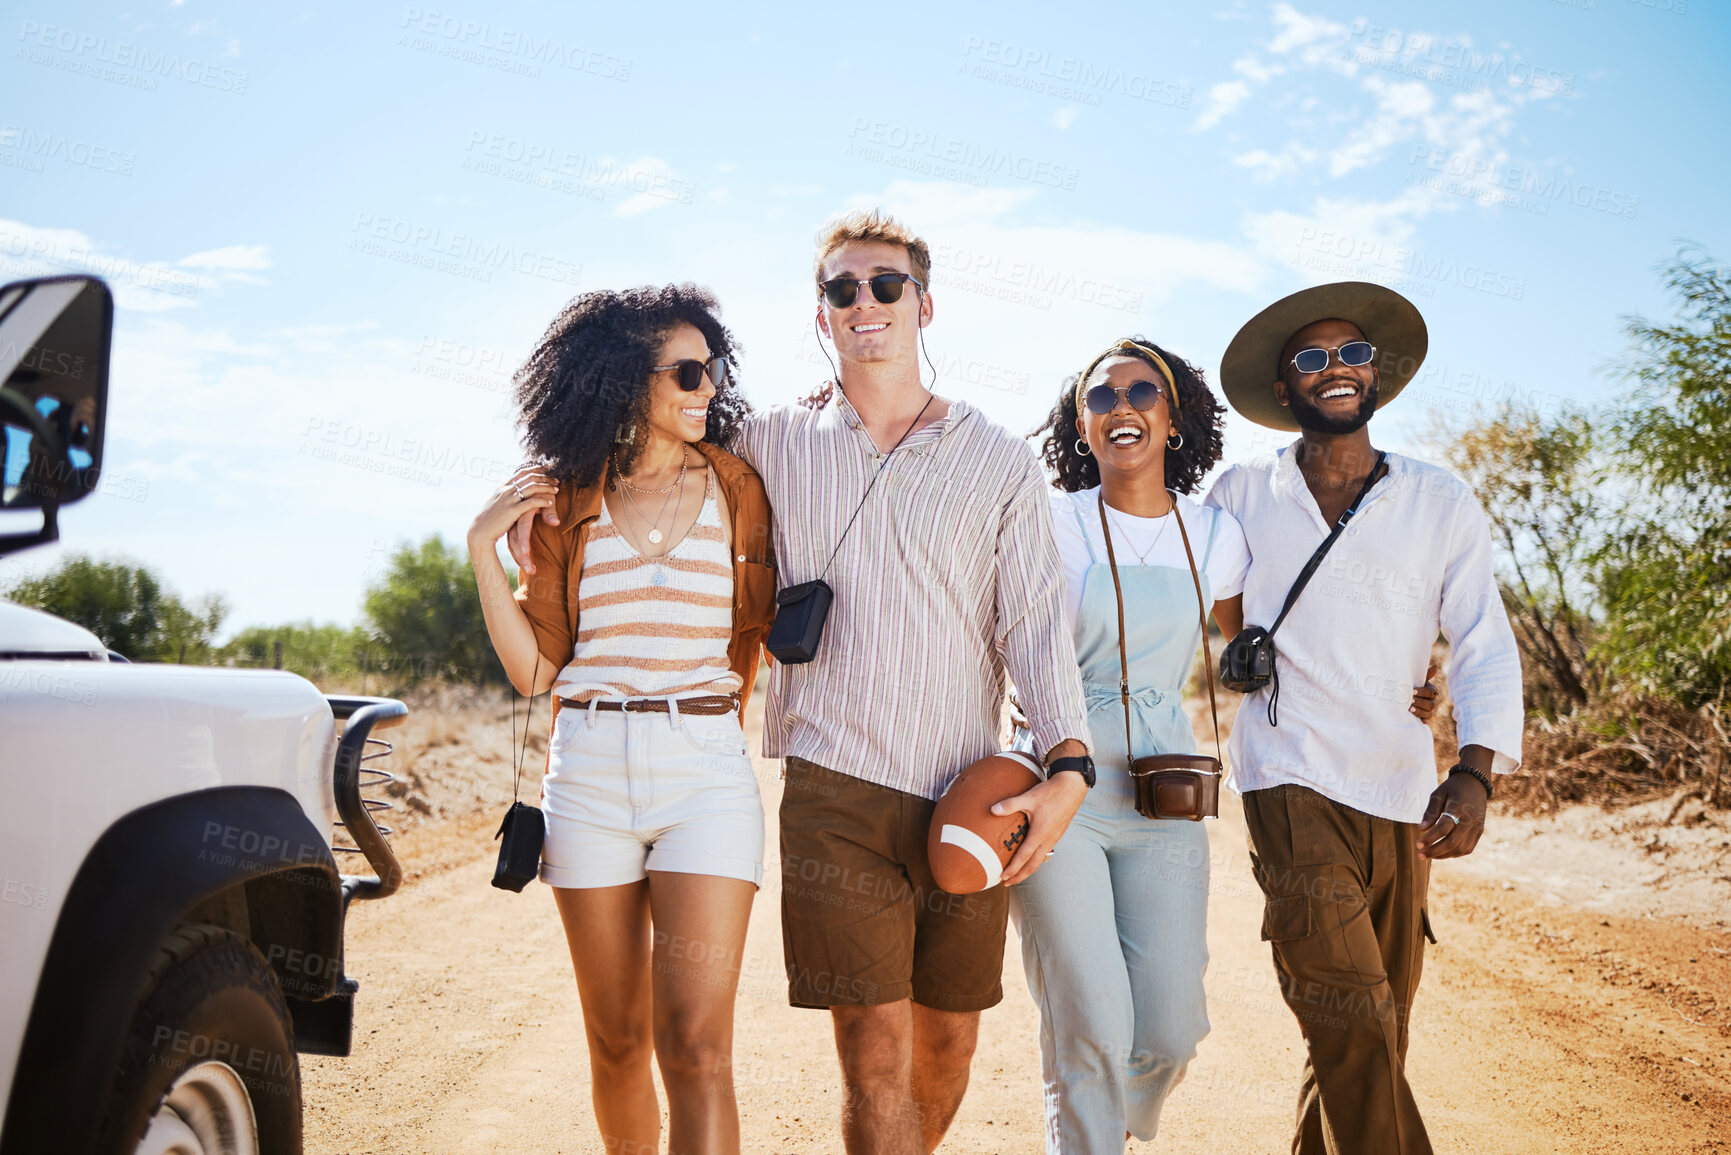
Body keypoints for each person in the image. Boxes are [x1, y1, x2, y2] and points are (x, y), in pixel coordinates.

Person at [510, 211, 1093, 1154]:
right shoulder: (770, 446)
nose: (864, 303)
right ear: (820, 316)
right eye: (841, 290)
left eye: (885, 285)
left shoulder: (998, 459)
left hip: (963, 783)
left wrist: (1066, 764)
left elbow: (1034, 622)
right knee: (872, 1046)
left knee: (947, 1041)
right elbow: (644, 441)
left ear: (924, 305)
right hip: (832, 784)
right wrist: (544, 499)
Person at [1205, 281, 1524, 1155]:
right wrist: (1259, 649)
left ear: (1375, 374)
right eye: (1312, 357)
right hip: (1288, 777)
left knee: (1371, 1030)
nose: (1335, 369)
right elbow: (1208, 595)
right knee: (1350, 1022)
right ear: (1284, 389)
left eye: (1351, 354)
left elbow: (1482, 640)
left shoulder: (1437, 500)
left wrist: (1473, 771)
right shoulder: (1240, 493)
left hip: (1400, 789)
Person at [469, 284, 776, 1155]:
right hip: (589, 773)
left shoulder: (738, 483)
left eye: (711, 371)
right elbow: (534, 672)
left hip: (706, 769)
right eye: (684, 371)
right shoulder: (567, 503)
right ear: (619, 380)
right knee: (616, 1044)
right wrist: (481, 551)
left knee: (697, 1048)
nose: (704, 388)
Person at [1012, 337, 1248, 1152]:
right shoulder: (1047, 519)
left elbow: (1255, 643)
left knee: (1171, 1027)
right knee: (1090, 1023)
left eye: (1141, 392)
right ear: (1080, 426)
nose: (1121, 408)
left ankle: (1107, 1121)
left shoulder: (1216, 534)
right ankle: (1088, 1131)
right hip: (1055, 777)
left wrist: (1402, 683)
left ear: (1172, 414)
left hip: (1163, 783)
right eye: (1100, 398)